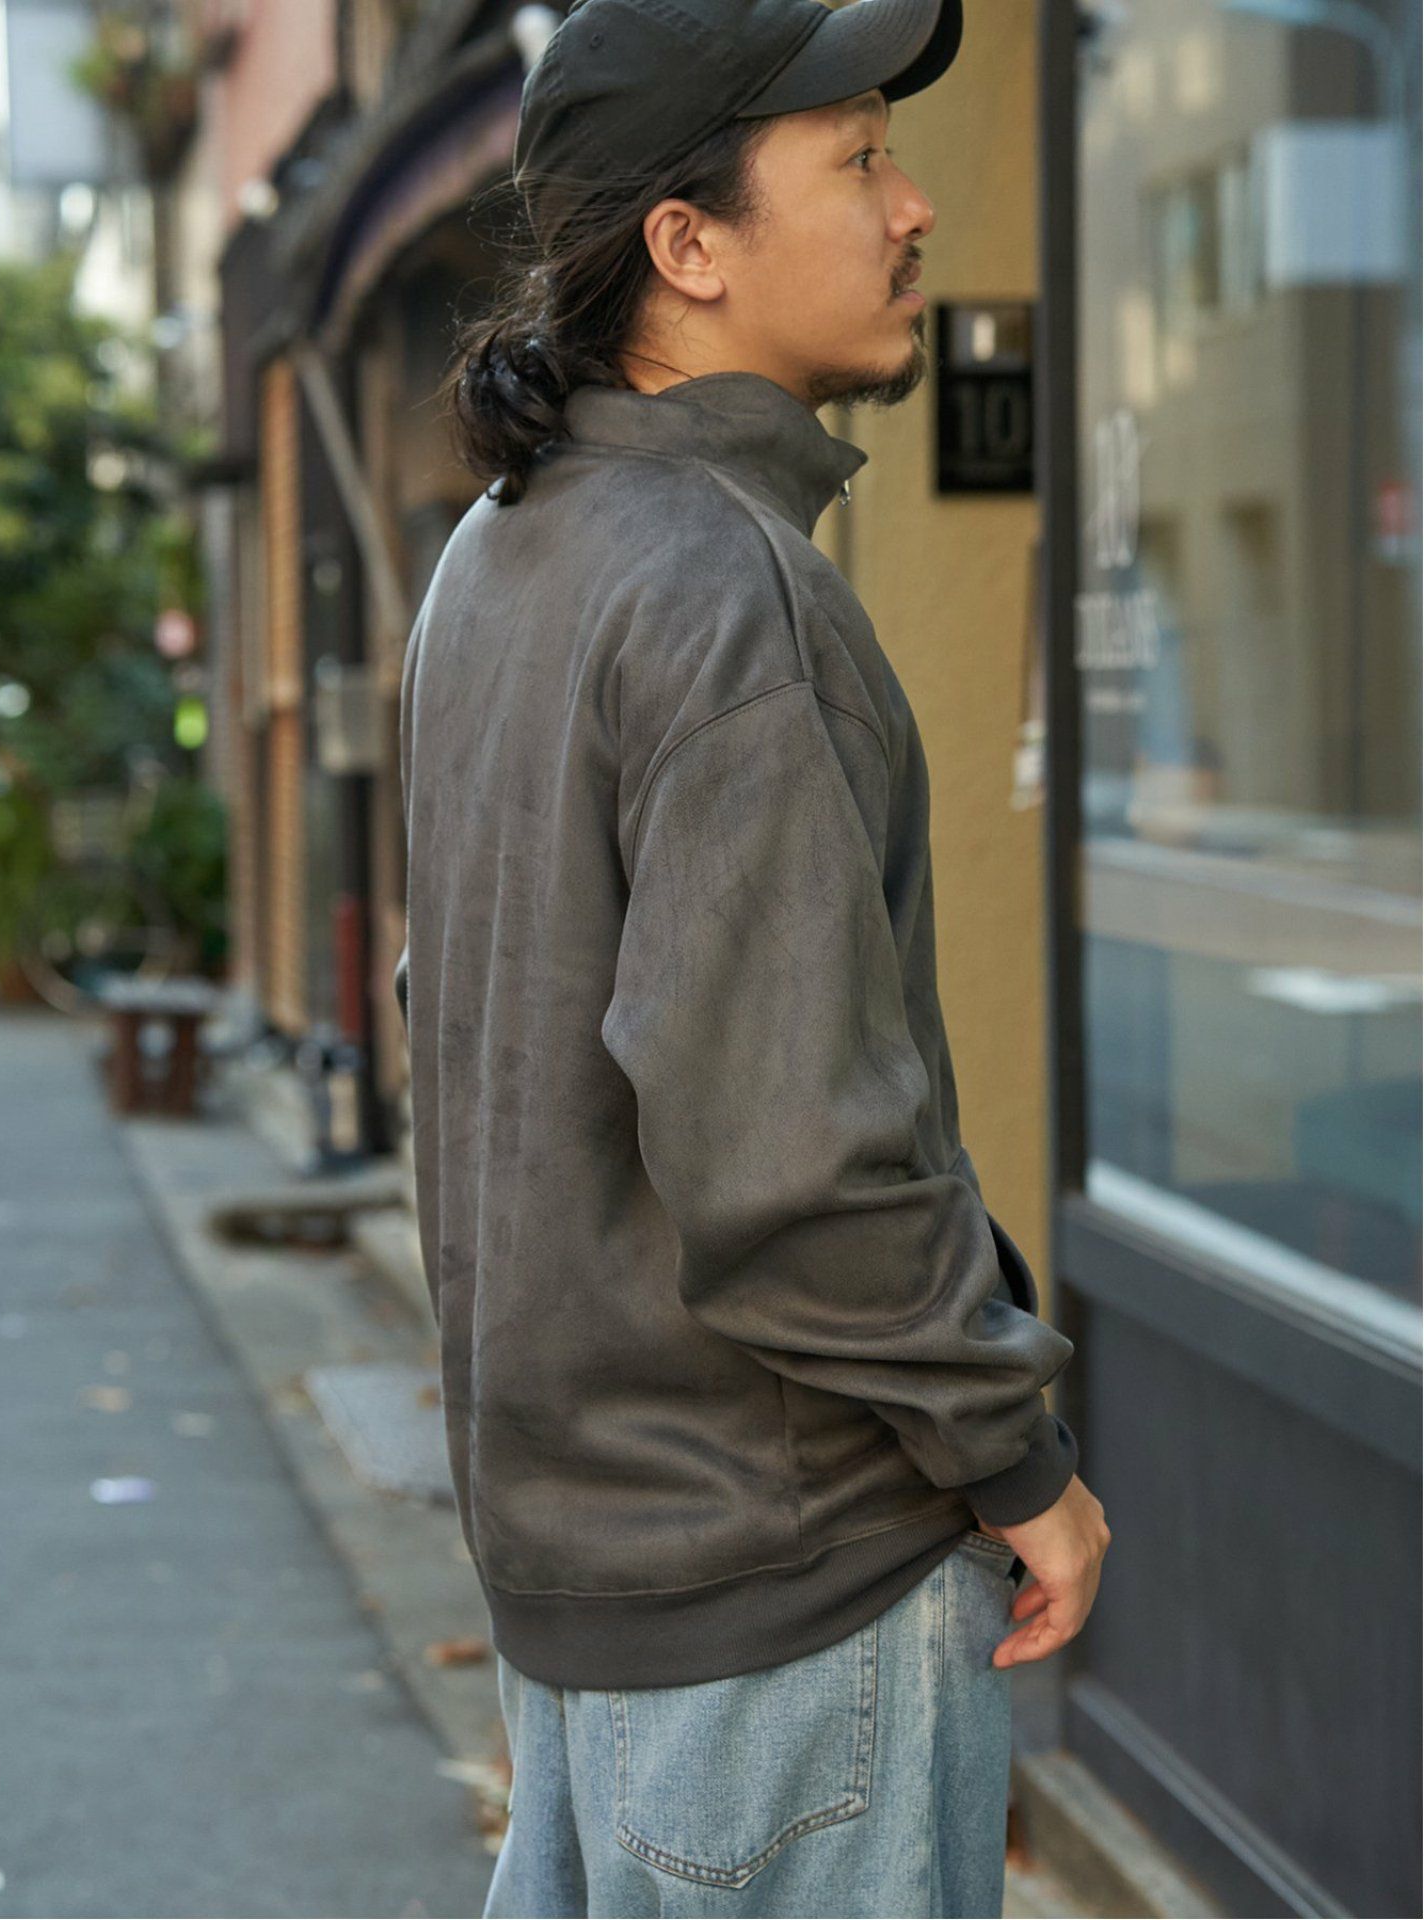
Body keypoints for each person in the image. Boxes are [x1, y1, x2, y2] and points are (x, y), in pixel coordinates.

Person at [393, 0, 1112, 1910]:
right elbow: (795, 1159)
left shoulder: (501, 554)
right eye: (859, 158)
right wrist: (1018, 1458)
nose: (914, 206)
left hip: (592, 1585)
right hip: (789, 1602)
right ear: (687, 245)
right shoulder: (723, 586)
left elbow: (466, 1043)